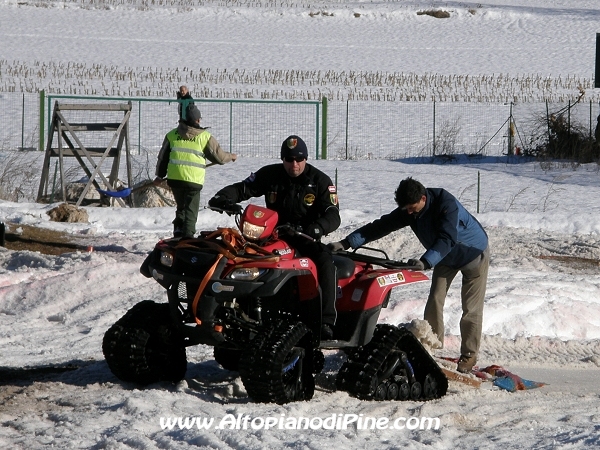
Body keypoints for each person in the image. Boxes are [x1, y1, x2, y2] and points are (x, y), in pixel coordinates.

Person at [328, 177, 489, 373]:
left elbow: (447, 239)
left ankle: (469, 355)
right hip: (445, 258)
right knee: (435, 300)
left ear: (423, 198)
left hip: (473, 254)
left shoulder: (446, 204)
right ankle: (432, 346)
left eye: (412, 208)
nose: (409, 212)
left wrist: (425, 261)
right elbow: (381, 226)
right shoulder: (410, 210)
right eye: (406, 209)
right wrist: (346, 243)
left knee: (471, 309)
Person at [208, 135, 341, 340]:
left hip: (303, 236)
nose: (294, 164)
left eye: (298, 159)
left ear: (305, 159)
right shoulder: (271, 174)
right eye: (289, 159)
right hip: (268, 235)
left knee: (325, 261)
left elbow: (333, 213)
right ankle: (228, 309)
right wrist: (223, 197)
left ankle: (326, 321)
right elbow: (243, 188)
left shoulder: (319, 181)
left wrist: (317, 228)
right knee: (231, 254)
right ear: (282, 159)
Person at [154, 104, 237, 238]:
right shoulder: (204, 137)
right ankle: (187, 238)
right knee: (191, 210)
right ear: (198, 120)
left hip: (175, 179)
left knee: (181, 207)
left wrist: (159, 176)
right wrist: (231, 156)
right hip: (193, 180)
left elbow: (163, 158)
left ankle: (178, 233)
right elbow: (219, 158)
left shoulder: (172, 135)